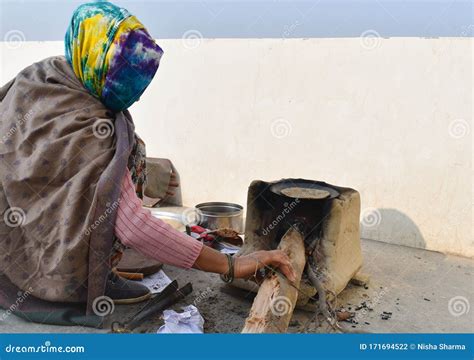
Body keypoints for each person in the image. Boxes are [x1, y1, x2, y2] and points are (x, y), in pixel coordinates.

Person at [0, 2, 295, 324]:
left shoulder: (46, 76)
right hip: (39, 252)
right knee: (125, 154)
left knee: (128, 147)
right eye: (125, 79)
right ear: (97, 61)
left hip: (18, 232)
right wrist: (231, 265)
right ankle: (77, 280)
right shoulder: (86, 128)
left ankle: (82, 265)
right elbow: (133, 227)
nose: (135, 95)